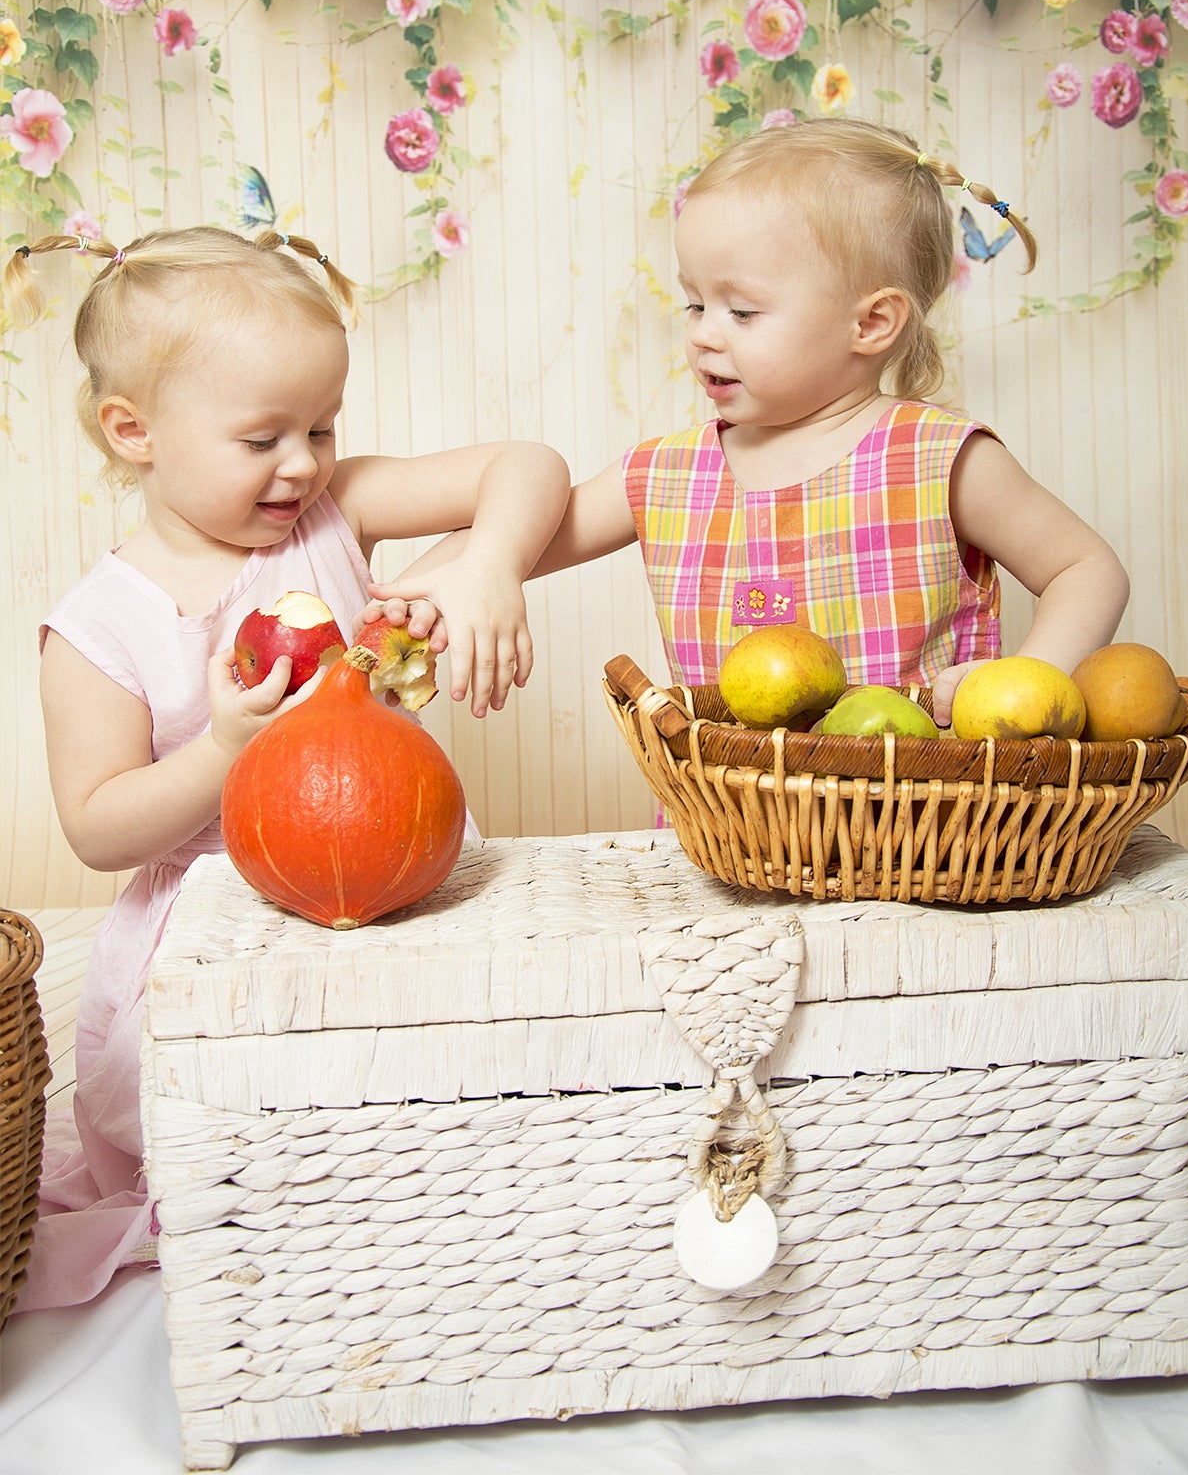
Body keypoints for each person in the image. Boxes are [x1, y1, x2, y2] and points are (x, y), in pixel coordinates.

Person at [5, 225, 569, 1311]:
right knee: (240, 1121)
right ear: (135, 433)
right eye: (263, 436)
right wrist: (226, 745)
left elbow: (527, 465)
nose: (303, 461)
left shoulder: (330, 516)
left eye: (321, 425)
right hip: (220, 915)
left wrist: (490, 564)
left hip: (392, 869)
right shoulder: (99, 627)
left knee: (457, 1069)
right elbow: (97, 826)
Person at [372, 119, 1128, 722]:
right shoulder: (670, 475)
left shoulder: (937, 458)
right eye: (695, 302)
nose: (703, 331)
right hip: (741, 840)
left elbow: (1086, 569)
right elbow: (517, 531)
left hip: (924, 831)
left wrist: (1028, 680)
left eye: (741, 309)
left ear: (871, 323)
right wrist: (450, 584)